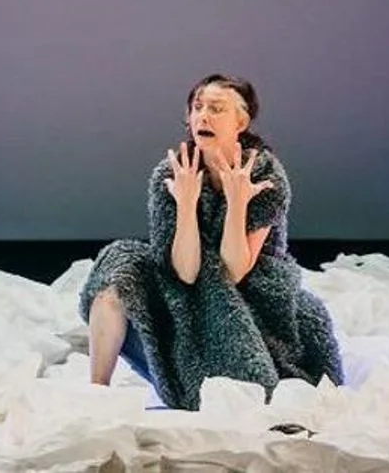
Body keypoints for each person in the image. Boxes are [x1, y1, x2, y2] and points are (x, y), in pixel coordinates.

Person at [78, 73, 344, 411]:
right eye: (197, 107)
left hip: (251, 292)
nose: (202, 116)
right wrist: (186, 205)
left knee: (300, 322)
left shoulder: (266, 177)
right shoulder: (171, 174)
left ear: (241, 122)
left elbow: (234, 272)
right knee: (118, 262)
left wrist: (237, 203)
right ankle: (96, 392)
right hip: (182, 287)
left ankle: (210, 381)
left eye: (216, 108)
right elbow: (185, 273)